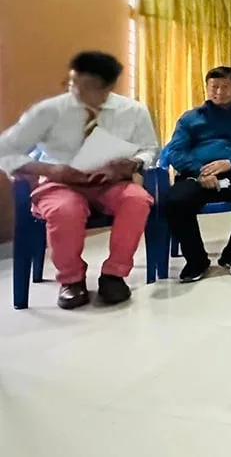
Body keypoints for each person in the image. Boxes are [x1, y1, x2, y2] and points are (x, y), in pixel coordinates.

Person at [0, 52, 157, 309]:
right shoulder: (49, 111)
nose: (76, 92)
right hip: (59, 183)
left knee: (137, 200)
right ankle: (71, 280)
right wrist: (50, 170)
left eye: (88, 87)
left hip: (110, 182)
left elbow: (149, 149)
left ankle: (114, 275)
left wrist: (131, 164)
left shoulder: (133, 111)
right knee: (65, 210)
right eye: (73, 84)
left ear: (107, 87)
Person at [164, 66, 231, 283]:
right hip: (195, 174)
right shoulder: (190, 119)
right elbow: (175, 151)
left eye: (225, 87)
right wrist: (200, 171)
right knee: (174, 202)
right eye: (214, 87)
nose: (219, 92)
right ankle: (196, 260)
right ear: (207, 87)